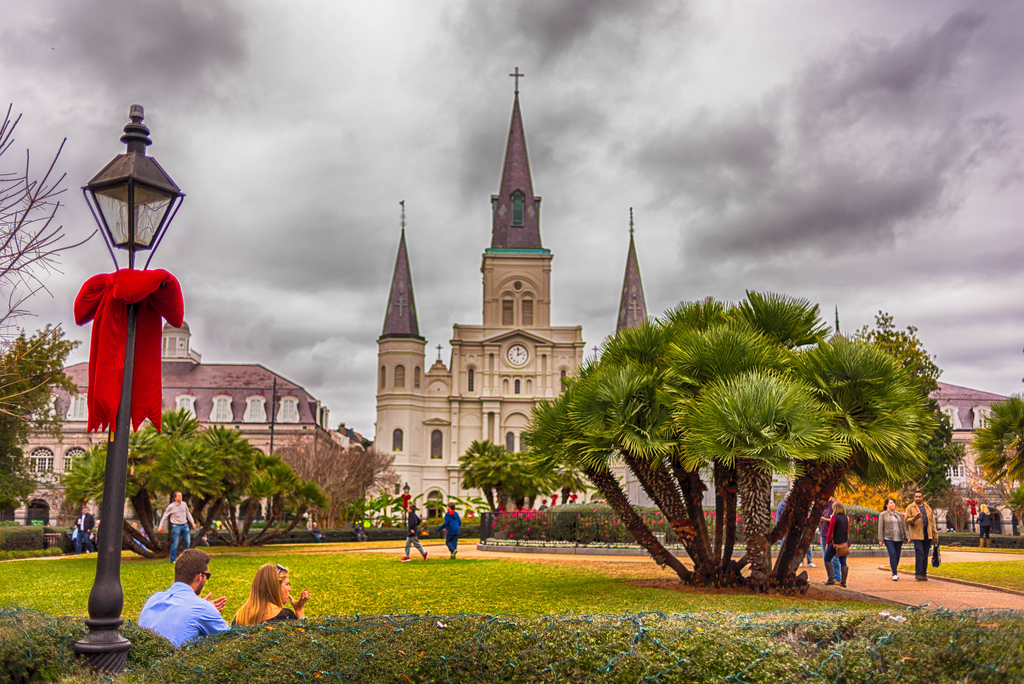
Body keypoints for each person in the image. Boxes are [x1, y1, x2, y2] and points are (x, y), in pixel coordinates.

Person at [138, 549, 230, 647]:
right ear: (199, 577)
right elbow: (233, 639)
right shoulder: (202, 608)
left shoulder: (153, 599)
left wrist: (203, 608)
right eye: (207, 576)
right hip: (174, 661)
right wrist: (206, 609)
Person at [232, 563, 311, 626]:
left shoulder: (240, 617)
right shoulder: (285, 616)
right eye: (287, 584)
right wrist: (299, 610)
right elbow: (305, 641)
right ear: (275, 587)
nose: (289, 588)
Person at [775, 493, 816, 568]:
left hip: (796, 527)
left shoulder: (788, 504)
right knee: (784, 545)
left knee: (802, 544)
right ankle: (784, 562)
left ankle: (807, 561)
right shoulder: (783, 505)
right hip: (786, 528)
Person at [905, 490, 938, 581]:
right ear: (914, 497)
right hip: (917, 535)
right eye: (916, 497)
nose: (918, 498)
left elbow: (932, 521)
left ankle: (924, 573)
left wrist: (935, 534)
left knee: (925, 554)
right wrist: (914, 518)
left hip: (927, 534)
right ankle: (918, 573)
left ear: (922, 497)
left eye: (919, 497)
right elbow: (907, 520)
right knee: (920, 553)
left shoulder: (927, 507)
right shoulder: (910, 507)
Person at [157, 491, 196, 563]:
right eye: (179, 496)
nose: (181, 497)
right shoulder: (171, 506)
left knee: (187, 542)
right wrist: (160, 527)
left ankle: (186, 559)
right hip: (176, 526)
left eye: (181, 496)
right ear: (175, 498)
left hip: (185, 525)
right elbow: (164, 517)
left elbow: (188, 514)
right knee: (175, 544)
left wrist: (192, 522)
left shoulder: (184, 504)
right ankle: (172, 560)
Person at [877, 497, 910, 581]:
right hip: (888, 537)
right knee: (893, 554)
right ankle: (895, 573)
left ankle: (893, 569)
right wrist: (880, 539)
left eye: (893, 503)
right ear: (887, 505)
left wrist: (907, 536)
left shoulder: (899, 514)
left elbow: (904, 526)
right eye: (891, 503)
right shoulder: (883, 515)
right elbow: (880, 527)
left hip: (899, 538)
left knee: (897, 555)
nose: (893, 504)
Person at [824, 502, 850, 587]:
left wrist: (827, 543)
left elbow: (830, 532)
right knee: (843, 562)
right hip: (844, 543)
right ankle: (843, 582)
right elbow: (848, 530)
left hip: (835, 543)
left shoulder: (834, 518)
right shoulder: (846, 518)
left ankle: (830, 579)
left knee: (827, 558)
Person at [818, 497, 841, 585]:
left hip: (831, 535)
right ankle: (830, 578)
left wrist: (825, 519)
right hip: (823, 534)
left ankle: (837, 578)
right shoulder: (823, 505)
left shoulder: (833, 505)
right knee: (826, 557)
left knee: (834, 557)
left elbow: (837, 519)